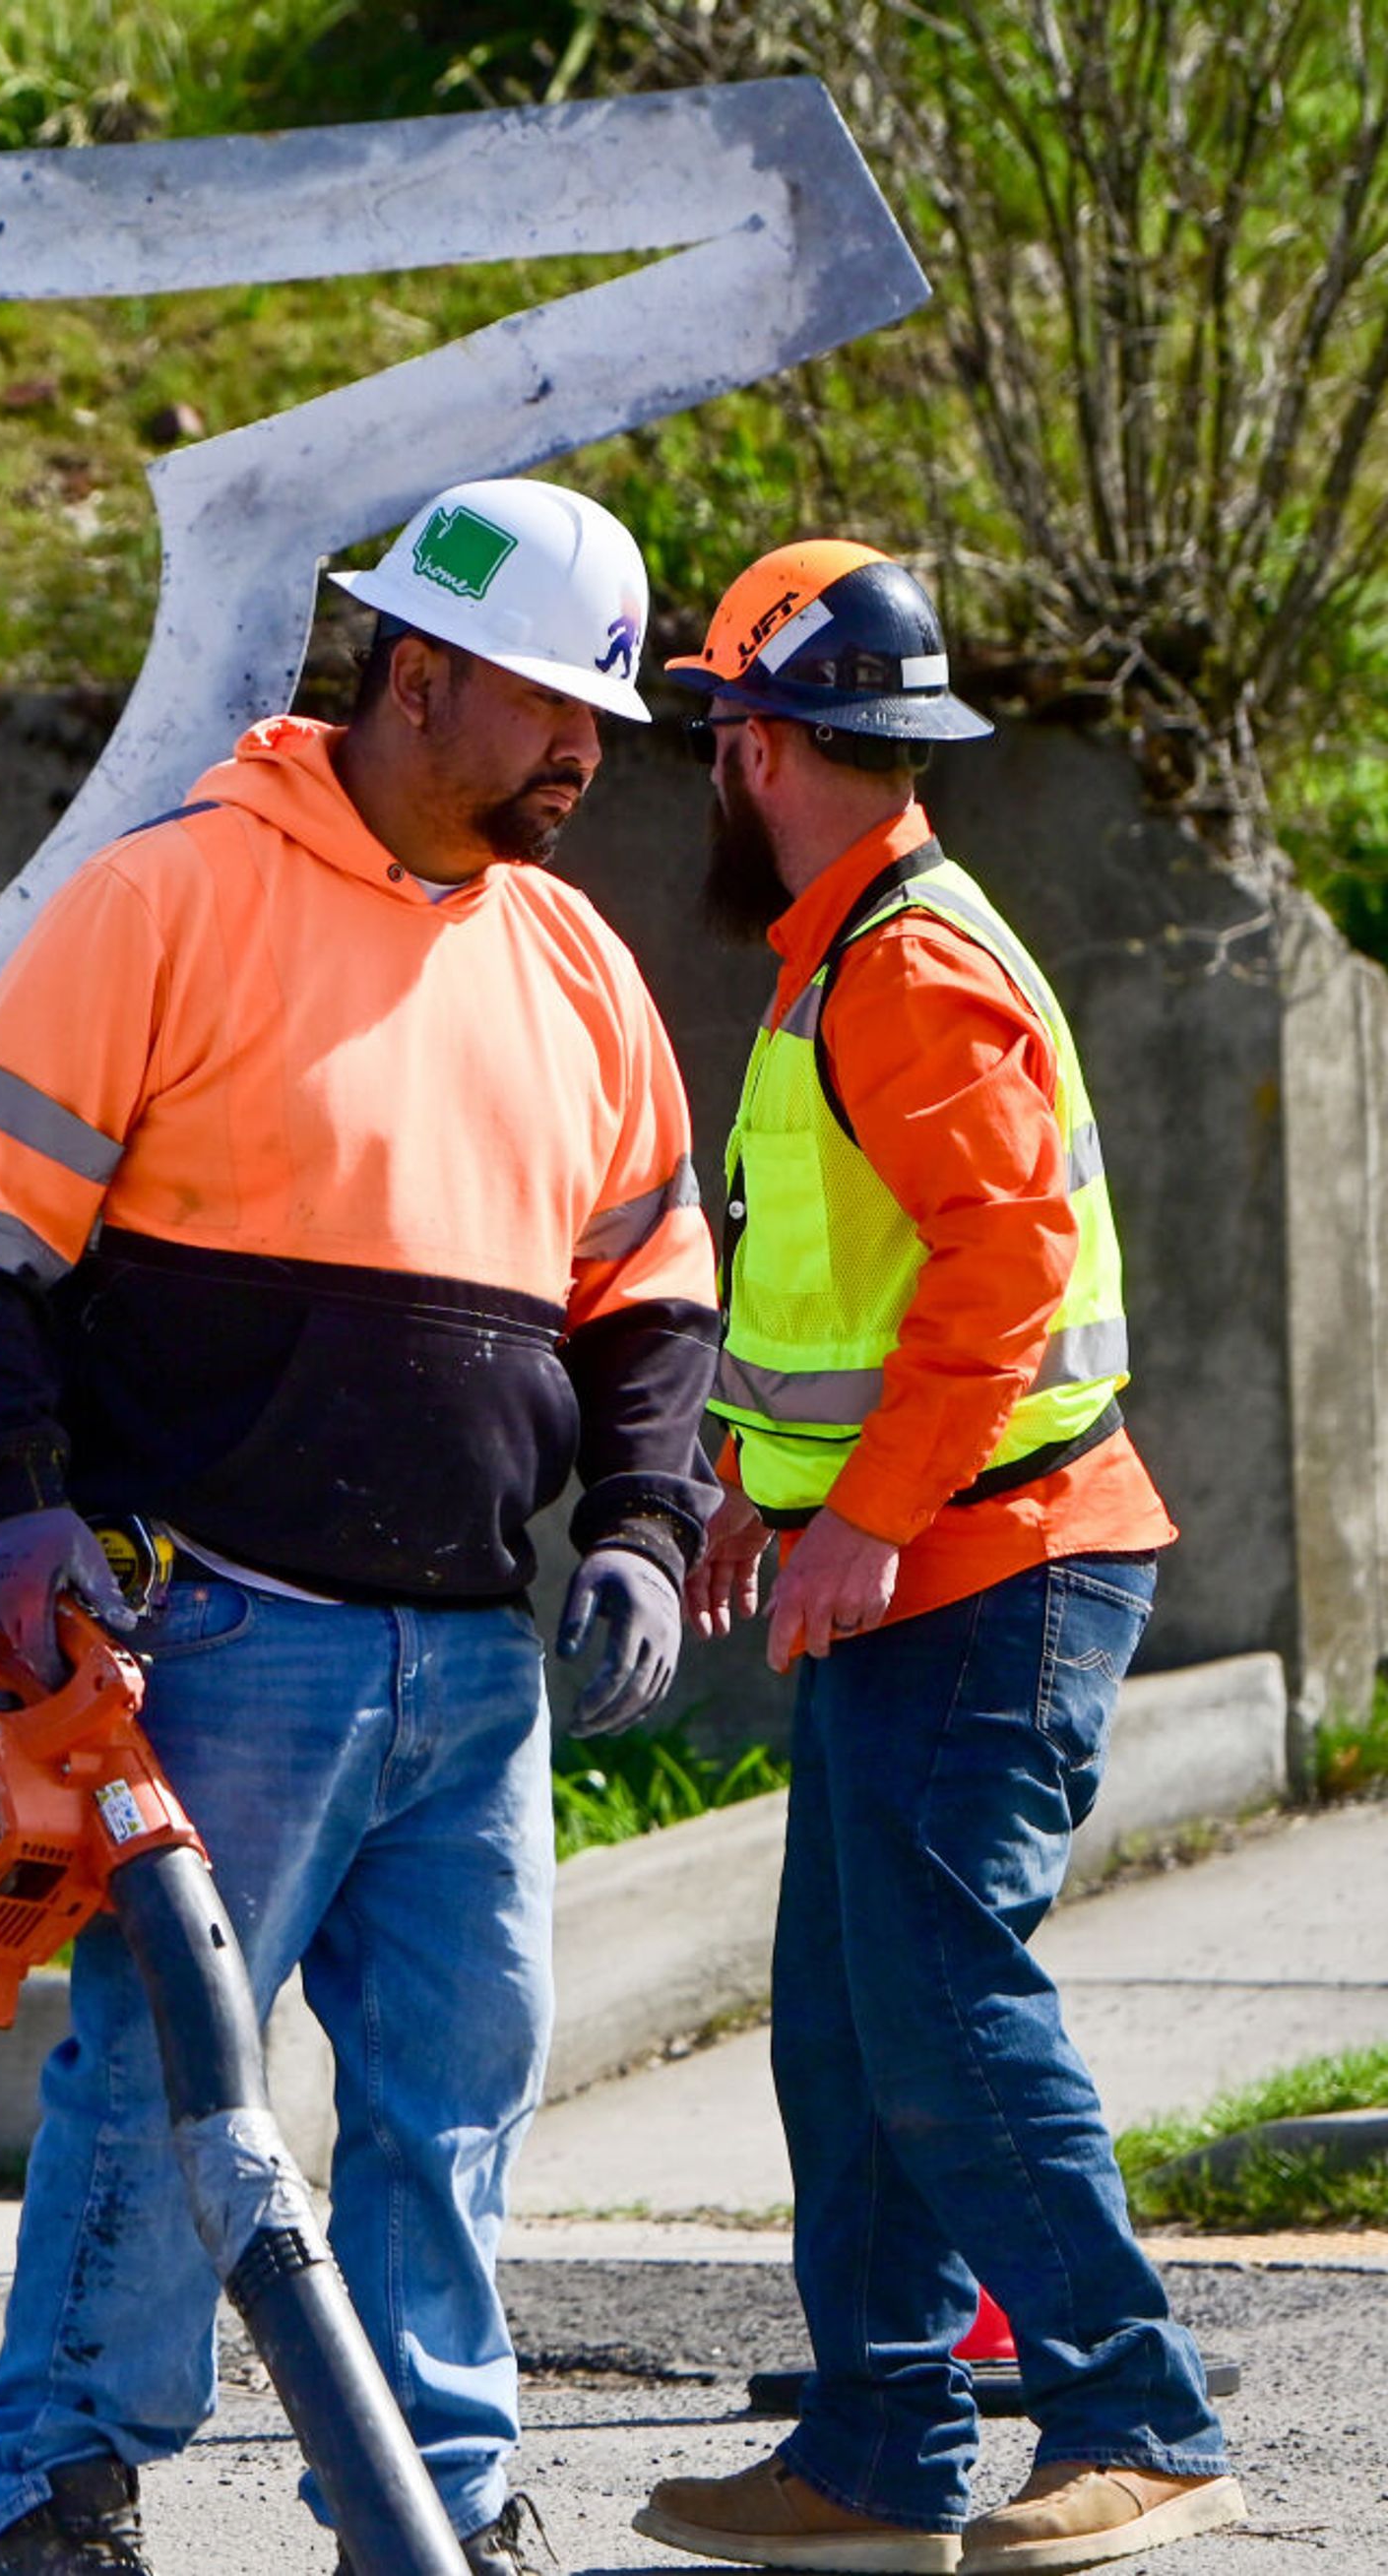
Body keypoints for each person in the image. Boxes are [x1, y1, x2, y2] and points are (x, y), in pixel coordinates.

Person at [0, 478, 718, 2576]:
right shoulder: (169, 898)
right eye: (544, 708)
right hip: (219, 1633)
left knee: (454, 2112)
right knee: (172, 2092)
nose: (581, 755)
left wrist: (637, 1518)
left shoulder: (575, 962)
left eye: (594, 720)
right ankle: (65, 2479)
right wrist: (16, 1506)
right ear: (412, 677)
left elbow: (653, 1290)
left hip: (470, 1655)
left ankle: (434, 2493)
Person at [631, 544, 1240, 2576]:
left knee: (946, 2006)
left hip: (995, 1569)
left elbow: (1004, 1264)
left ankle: (1137, 2419)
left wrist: (868, 1518)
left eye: (717, 729)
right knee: (845, 2017)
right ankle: (881, 2448)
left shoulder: (902, 962)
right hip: (932, 1567)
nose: (707, 764)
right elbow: (839, 1287)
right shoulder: (845, 953)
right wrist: (755, 1477)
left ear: (764, 742)